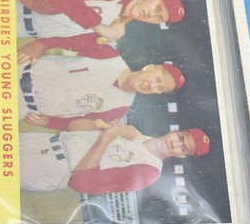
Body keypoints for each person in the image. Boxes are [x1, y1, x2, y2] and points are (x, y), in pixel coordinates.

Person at [14, 0, 186, 62]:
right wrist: (98, 26)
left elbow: (76, 42)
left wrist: (42, 44)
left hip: (22, 31)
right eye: (157, 8)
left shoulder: (117, 29)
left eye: (158, 18)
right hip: (17, 3)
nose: (151, 14)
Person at [21, 122, 210, 196]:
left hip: (52, 169)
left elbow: (82, 183)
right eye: (180, 137)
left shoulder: (149, 172)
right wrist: (100, 126)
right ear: (176, 131)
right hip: (44, 140)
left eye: (183, 148)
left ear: (181, 155)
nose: (175, 144)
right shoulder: (134, 133)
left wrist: (107, 137)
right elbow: (78, 128)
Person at [20, 54, 185, 130]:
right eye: (157, 79)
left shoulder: (119, 109)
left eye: (159, 88)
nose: (152, 86)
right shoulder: (109, 55)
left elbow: (75, 123)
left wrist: (49, 122)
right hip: (20, 72)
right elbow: (63, 38)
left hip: (24, 107)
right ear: (148, 68)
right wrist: (38, 47)